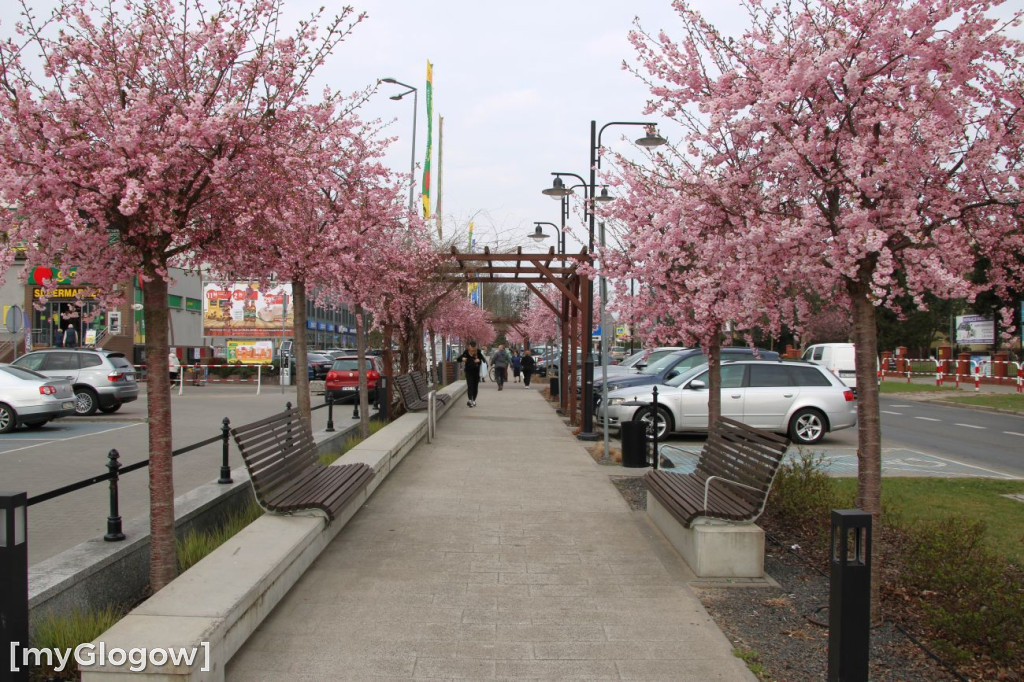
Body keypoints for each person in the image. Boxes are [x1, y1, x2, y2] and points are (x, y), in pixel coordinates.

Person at [458, 342, 483, 407]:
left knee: (475, 386)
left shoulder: (478, 352)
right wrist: (462, 359)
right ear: (469, 346)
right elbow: (458, 359)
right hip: (468, 371)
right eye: (471, 348)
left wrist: (479, 360)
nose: (472, 349)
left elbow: (482, 360)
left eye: (474, 348)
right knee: (470, 385)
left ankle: (473, 400)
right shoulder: (466, 352)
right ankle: (470, 400)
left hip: (476, 372)